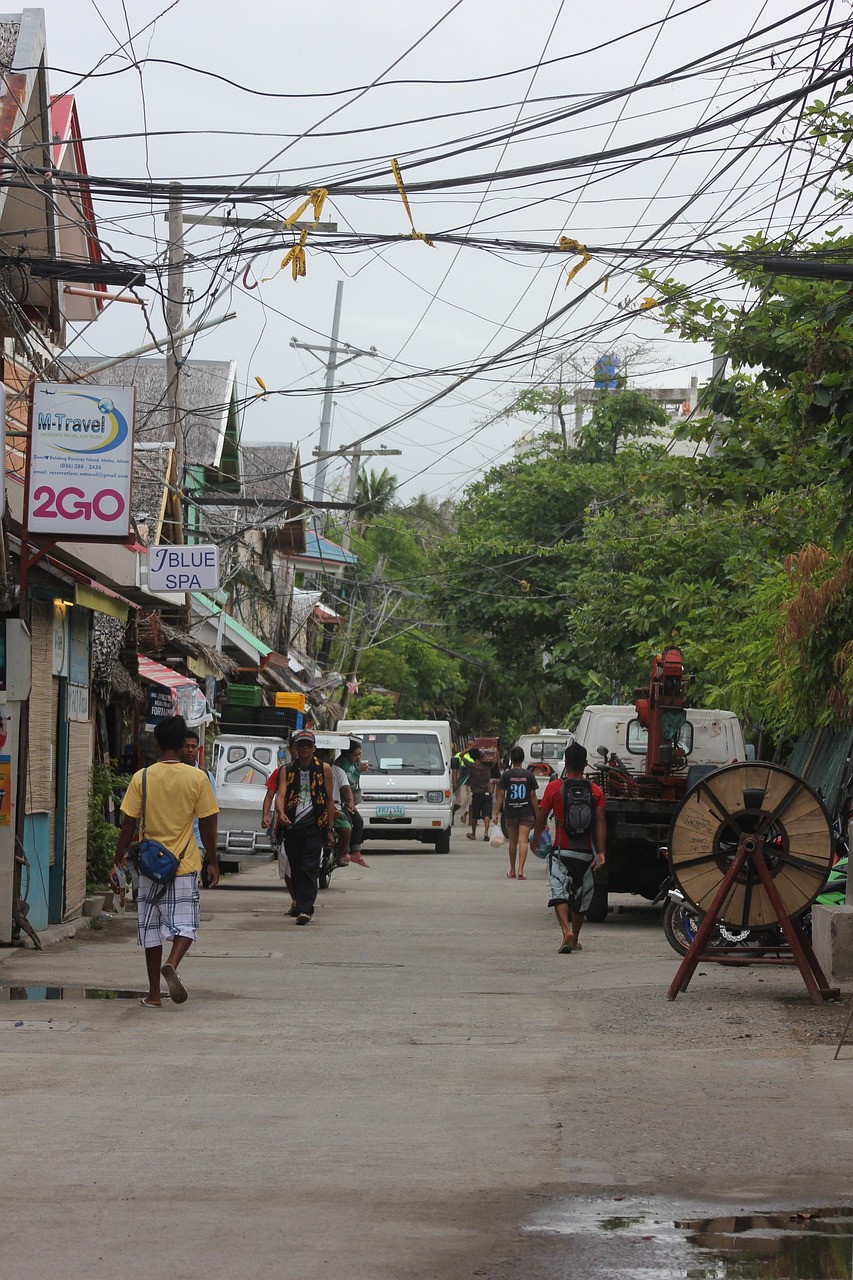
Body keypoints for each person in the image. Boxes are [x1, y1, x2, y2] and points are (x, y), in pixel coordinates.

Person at [113, 714, 219, 1007]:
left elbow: (128, 826)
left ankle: (154, 994)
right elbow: (209, 823)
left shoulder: (142, 777)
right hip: (184, 865)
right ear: (183, 743)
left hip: (149, 866)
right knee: (186, 925)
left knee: (150, 929)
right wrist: (212, 861)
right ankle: (172, 962)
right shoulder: (197, 778)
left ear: (157, 742)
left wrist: (117, 860)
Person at [529, 742, 606, 954]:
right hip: (585, 853)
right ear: (586, 764)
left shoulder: (555, 787)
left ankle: (565, 932)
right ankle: (576, 938)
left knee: (559, 891)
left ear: (566, 763)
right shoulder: (595, 790)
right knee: (581, 896)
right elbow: (600, 822)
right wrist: (601, 852)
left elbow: (542, 816)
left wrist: (535, 839)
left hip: (561, 851)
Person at [274, 729, 335, 925]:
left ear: (314, 748)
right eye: (301, 745)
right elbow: (281, 795)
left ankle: (306, 910)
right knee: (297, 868)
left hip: (315, 824)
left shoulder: (324, 769)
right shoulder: (287, 770)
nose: (305, 749)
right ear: (295, 748)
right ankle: (300, 903)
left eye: (309, 745)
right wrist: (281, 814)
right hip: (293, 825)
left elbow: (329, 799)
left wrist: (329, 829)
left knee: (310, 867)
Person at [494, 746, 540, 879]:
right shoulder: (529, 775)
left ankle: (512, 870)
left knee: (513, 842)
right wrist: (538, 815)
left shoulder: (506, 775)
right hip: (526, 812)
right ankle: (521, 870)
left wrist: (496, 813)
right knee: (523, 841)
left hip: (511, 813)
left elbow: (501, 795)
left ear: (511, 759)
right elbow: (533, 796)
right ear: (523, 758)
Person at [262, 745, 298, 916]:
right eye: (298, 747)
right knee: (286, 865)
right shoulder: (282, 772)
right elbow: (270, 795)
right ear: (292, 749)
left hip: (310, 827)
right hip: (285, 828)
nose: (301, 751)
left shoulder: (318, 771)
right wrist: (265, 815)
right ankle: (295, 899)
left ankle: (303, 901)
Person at [182, 727, 217, 888]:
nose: (189, 750)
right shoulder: (173, 774)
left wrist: (212, 852)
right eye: (186, 746)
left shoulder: (206, 777)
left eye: (193, 746)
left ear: (198, 749)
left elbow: (211, 815)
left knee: (191, 884)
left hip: (197, 842)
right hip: (173, 841)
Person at [335, 738, 368, 867]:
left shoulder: (353, 764)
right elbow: (347, 784)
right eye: (356, 755)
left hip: (349, 801)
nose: (358, 757)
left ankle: (356, 852)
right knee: (347, 823)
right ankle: (344, 853)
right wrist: (358, 771)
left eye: (360, 754)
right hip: (340, 800)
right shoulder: (342, 764)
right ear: (347, 754)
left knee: (358, 822)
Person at [465, 747, 495, 842]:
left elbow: (461, 755)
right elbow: (495, 759)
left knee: (475, 814)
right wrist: (494, 751)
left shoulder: (471, 766)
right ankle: (486, 832)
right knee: (487, 814)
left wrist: (470, 747)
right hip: (487, 792)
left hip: (477, 793)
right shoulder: (487, 765)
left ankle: (473, 833)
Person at [452, 740, 475, 825]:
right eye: (468, 745)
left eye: (471, 745)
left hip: (472, 782)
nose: (470, 746)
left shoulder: (475, 755)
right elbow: (455, 770)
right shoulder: (459, 755)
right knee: (460, 801)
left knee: (471, 803)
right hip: (463, 781)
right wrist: (454, 782)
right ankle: (452, 814)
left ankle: (471, 821)